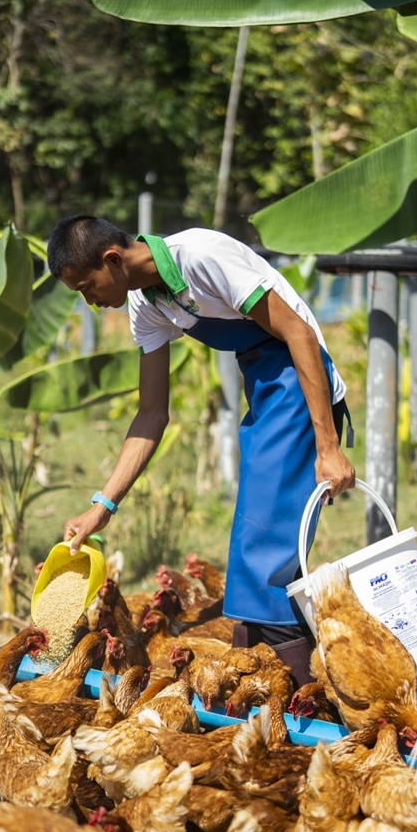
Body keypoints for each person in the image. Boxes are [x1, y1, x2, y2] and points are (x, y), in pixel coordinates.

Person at [48, 216, 355, 681]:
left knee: (264, 548)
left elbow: (299, 334)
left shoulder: (201, 256)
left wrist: (327, 444)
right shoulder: (145, 306)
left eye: (87, 287)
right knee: (255, 540)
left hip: (298, 378)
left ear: (112, 259)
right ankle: (259, 682)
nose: (90, 301)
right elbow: (152, 415)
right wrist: (102, 506)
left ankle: (302, 693)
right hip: (266, 385)